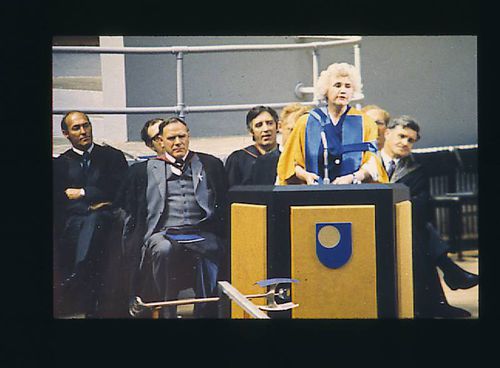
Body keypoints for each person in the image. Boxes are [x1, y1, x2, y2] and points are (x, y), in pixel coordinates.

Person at [117, 117, 227, 318]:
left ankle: (204, 311)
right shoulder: (143, 171)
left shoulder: (209, 164)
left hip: (199, 230)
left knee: (213, 247)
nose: (177, 142)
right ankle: (167, 309)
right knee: (163, 249)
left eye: (182, 136)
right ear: (161, 141)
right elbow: (132, 210)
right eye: (171, 138)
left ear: (188, 136)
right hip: (163, 233)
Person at [379, 115, 478, 318]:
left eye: (410, 140)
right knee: (420, 230)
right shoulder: (368, 161)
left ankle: (437, 297)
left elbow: (421, 204)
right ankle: (444, 282)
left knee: (416, 228)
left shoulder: (415, 169)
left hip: (404, 223)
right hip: (374, 221)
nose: (405, 143)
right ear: (387, 133)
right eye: (401, 136)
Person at [53, 111, 129, 317]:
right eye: (76, 128)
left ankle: (78, 271)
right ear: (65, 133)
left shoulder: (112, 156)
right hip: (75, 222)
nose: (83, 131)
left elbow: (118, 189)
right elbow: (60, 199)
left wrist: (83, 193)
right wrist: (92, 203)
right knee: (88, 221)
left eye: (86, 125)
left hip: (108, 217)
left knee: (97, 219)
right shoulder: (60, 163)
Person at [277, 63, 386, 185]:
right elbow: (291, 163)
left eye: (348, 86)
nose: (343, 90)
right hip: (314, 194)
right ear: (326, 90)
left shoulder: (365, 123)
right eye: (337, 85)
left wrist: (353, 177)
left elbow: (372, 162)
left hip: (353, 193)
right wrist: (306, 176)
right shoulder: (307, 122)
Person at [225, 106, 280, 187]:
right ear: (251, 131)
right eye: (259, 125)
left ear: (277, 126)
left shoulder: (285, 156)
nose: (265, 129)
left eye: (270, 123)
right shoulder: (238, 160)